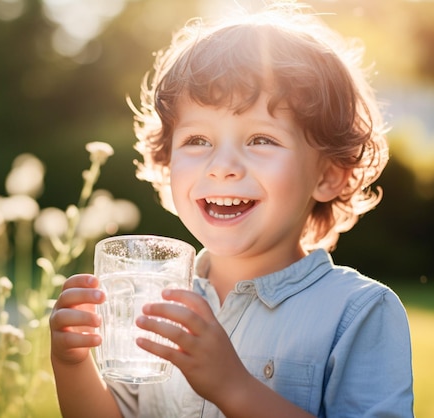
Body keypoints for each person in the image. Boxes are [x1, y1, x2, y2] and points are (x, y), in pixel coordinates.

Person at [49, 3, 414, 417]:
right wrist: (72, 364)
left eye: (261, 139)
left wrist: (234, 387)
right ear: (167, 164)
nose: (221, 166)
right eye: (197, 140)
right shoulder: (153, 300)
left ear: (328, 175)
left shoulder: (357, 313)